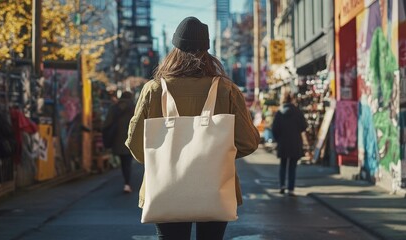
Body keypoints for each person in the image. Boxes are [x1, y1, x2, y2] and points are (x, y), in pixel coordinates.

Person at [126, 16, 260, 240]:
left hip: (166, 188)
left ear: (175, 48)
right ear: (207, 50)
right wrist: (217, 154)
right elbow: (249, 143)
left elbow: (138, 148)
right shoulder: (226, 89)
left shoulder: (154, 90)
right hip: (215, 187)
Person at [272, 90, 307, 197]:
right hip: (295, 142)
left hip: (283, 142)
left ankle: (282, 185)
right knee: (292, 167)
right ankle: (291, 188)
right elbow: (304, 126)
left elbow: (274, 129)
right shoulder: (297, 112)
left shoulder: (279, 113)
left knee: (283, 165)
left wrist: (278, 139)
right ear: (292, 99)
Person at [103, 90, 135, 193]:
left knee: (123, 162)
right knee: (128, 162)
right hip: (131, 139)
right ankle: (127, 183)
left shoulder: (114, 108)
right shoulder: (135, 108)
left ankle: (126, 182)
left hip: (118, 140)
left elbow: (106, 123)